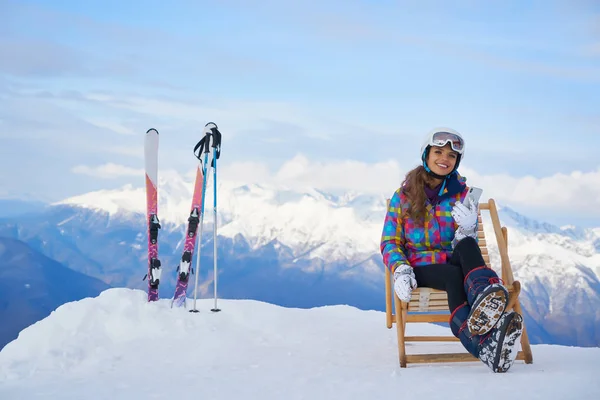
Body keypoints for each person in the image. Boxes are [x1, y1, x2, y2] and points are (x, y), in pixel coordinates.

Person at [380, 127, 523, 373]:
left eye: (451, 155)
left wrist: (468, 229)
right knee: (451, 275)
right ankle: (480, 338)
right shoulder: (403, 196)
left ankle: (483, 298)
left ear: (457, 162)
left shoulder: (463, 195)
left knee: (467, 244)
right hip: (421, 266)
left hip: (454, 260)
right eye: (438, 152)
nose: (444, 159)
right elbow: (389, 241)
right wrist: (400, 269)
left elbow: (464, 247)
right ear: (426, 154)